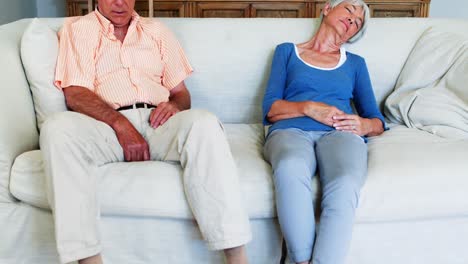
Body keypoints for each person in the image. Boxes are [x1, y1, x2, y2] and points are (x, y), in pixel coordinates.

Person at [40, 0, 251, 263]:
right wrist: (120, 124)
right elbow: (75, 93)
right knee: (57, 129)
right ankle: (88, 259)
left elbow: (181, 93)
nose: (120, 2)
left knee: (204, 122)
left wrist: (174, 106)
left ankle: (236, 257)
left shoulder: (157, 31)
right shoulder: (78, 29)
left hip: (158, 122)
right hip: (105, 126)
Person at [262, 0, 385, 263]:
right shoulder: (287, 52)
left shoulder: (355, 64)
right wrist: (308, 108)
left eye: (358, 22)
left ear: (353, 34)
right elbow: (271, 109)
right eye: (349, 11)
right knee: (290, 166)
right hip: (290, 130)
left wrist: (364, 125)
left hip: (341, 133)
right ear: (327, 9)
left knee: (345, 182)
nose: (352, 20)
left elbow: (376, 120)